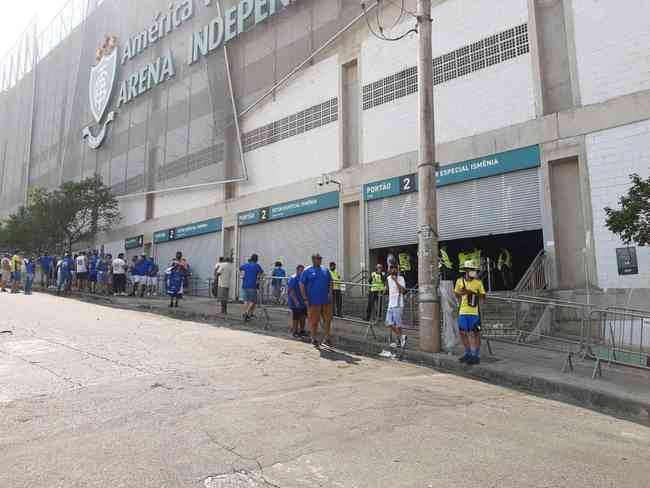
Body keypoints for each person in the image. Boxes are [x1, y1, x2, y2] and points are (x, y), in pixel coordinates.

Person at [454, 260, 487, 365]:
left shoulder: (478, 282)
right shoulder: (459, 281)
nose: (474, 271)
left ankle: (476, 355)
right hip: (463, 311)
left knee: (475, 333)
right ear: (466, 270)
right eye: (472, 270)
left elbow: (483, 296)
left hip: (474, 312)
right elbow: (456, 294)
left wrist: (473, 292)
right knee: (462, 333)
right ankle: (468, 353)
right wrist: (463, 292)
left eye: (474, 270)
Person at [300, 253, 333, 347]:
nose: (320, 260)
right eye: (318, 258)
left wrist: (330, 293)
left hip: (326, 301)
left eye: (321, 258)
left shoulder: (325, 270)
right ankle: (313, 337)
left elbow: (330, 282)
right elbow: (302, 285)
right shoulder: (307, 271)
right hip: (313, 301)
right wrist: (305, 298)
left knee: (328, 320)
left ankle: (327, 337)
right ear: (313, 259)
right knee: (314, 321)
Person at [385, 264, 407, 350]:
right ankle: (402, 337)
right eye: (391, 269)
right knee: (388, 323)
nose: (393, 270)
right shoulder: (388, 279)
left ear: (397, 270)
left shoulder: (401, 279)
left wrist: (396, 281)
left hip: (398, 304)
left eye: (395, 269)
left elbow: (403, 291)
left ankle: (399, 342)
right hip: (390, 304)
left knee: (398, 325)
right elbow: (387, 289)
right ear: (390, 270)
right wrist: (385, 290)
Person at [239, 254, 264, 321]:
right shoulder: (257, 266)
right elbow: (261, 272)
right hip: (252, 285)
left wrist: (242, 274)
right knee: (253, 301)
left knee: (246, 300)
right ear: (256, 259)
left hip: (244, 285)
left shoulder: (246, 265)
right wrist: (258, 279)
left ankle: (247, 313)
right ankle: (247, 313)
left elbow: (240, 268)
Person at [288, 264, 307, 338]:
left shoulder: (303, 278)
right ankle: (294, 331)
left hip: (303, 302)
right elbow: (292, 291)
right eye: (301, 270)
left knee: (303, 317)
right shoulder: (293, 278)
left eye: (303, 270)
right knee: (296, 318)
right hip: (295, 302)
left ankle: (302, 331)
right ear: (297, 270)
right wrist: (296, 302)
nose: (302, 272)